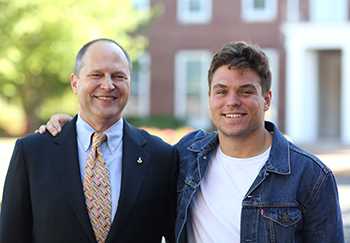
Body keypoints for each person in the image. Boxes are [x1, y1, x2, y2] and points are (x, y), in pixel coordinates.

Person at [37, 41, 344, 242]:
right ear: (210, 98)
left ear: (266, 99)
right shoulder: (187, 156)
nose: (232, 102)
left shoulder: (311, 177)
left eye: (246, 91)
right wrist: (73, 128)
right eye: (221, 91)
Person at [0, 38, 178, 243]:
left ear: (129, 83)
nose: (108, 85)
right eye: (96, 75)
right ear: (75, 83)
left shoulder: (162, 157)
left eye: (119, 76)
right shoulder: (32, 153)